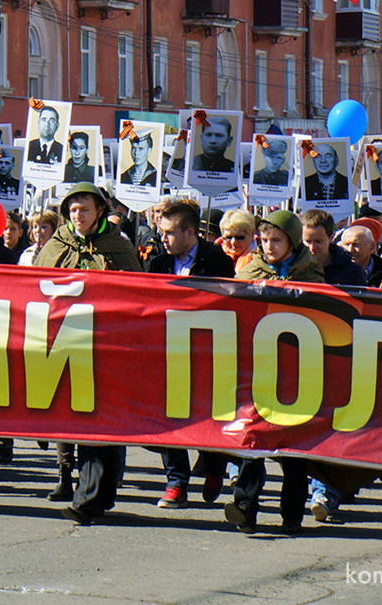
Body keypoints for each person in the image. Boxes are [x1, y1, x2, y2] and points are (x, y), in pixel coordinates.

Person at [33, 182, 141, 522]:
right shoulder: (55, 246)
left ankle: (99, 493)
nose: (78, 216)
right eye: (73, 210)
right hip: (65, 346)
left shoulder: (118, 247)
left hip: (107, 344)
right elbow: (32, 287)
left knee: (104, 423)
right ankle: (88, 497)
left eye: (85, 209)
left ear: (99, 212)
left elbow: (135, 292)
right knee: (82, 421)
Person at [228, 210, 322, 535]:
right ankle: (245, 507)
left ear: (293, 241)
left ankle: (291, 513)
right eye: (264, 240)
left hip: (297, 370)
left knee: (293, 447)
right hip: (258, 368)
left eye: (276, 240)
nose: (269, 246)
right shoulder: (250, 271)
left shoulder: (311, 275)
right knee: (251, 440)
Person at [147, 201, 235, 509]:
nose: (164, 239)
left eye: (170, 233)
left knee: (209, 413)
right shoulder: (157, 264)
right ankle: (176, 482)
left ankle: (214, 465)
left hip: (210, 349)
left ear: (189, 232)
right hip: (169, 350)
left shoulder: (218, 262)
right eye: (161, 233)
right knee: (169, 415)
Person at [301, 209, 368, 286]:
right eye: (308, 242)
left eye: (318, 241)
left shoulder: (352, 272)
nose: (312, 247)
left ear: (331, 238)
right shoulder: (293, 269)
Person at [338, 222, 382, 288]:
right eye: (346, 245)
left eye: (356, 245)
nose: (350, 250)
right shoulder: (334, 271)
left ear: (371, 246)